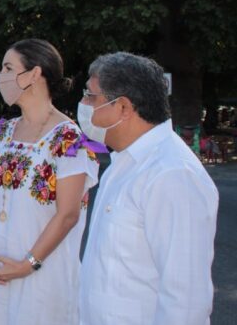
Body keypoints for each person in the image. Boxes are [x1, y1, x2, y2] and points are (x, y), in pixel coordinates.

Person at [78, 52, 218, 325]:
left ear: (123, 108)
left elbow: (186, 302)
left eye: (90, 96)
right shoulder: (124, 161)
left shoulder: (172, 174)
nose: (82, 104)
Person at [0, 39, 100, 325]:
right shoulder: (3, 132)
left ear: (34, 74)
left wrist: (26, 265)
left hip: (43, 277)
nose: (1, 76)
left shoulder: (69, 139)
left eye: (8, 68)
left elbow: (67, 215)